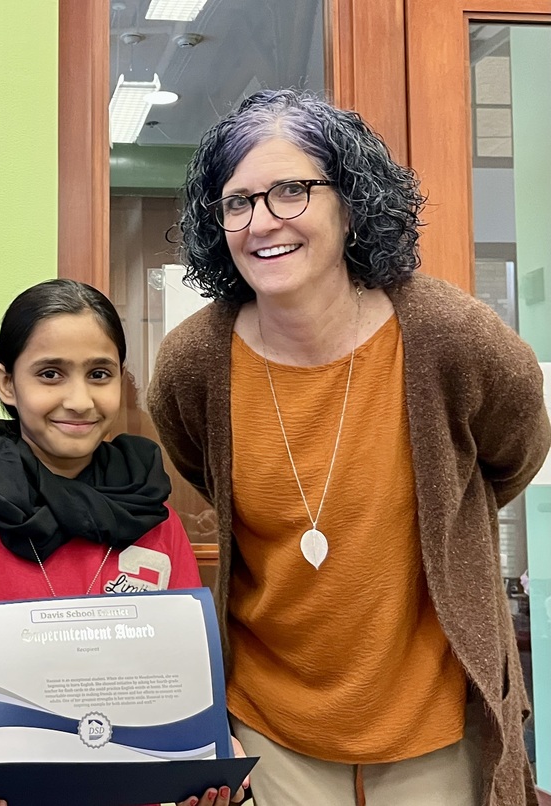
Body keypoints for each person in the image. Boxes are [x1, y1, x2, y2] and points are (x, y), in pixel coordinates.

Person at [148, 88, 551, 806]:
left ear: (351, 201)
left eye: (291, 192)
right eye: (237, 202)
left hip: (434, 722)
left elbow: (512, 452)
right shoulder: (193, 364)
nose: (261, 222)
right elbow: (203, 475)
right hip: (269, 726)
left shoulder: (451, 337)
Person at [0, 279, 246, 806]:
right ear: (7, 383)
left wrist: (201, 760)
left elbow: (185, 679)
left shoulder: (156, 523)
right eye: (50, 374)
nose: (79, 400)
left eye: (100, 374)